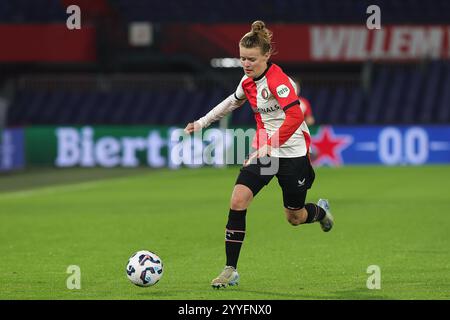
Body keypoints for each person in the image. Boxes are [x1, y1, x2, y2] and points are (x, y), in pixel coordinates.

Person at [184, 20, 334, 289]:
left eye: (251, 59)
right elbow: (232, 101)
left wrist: (269, 144)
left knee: (295, 217)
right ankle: (231, 269)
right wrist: (202, 122)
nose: (246, 64)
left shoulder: (279, 81)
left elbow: (294, 116)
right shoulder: (248, 81)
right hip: (265, 155)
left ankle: (321, 212)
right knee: (238, 200)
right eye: (242, 58)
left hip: (292, 155)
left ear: (266, 55)